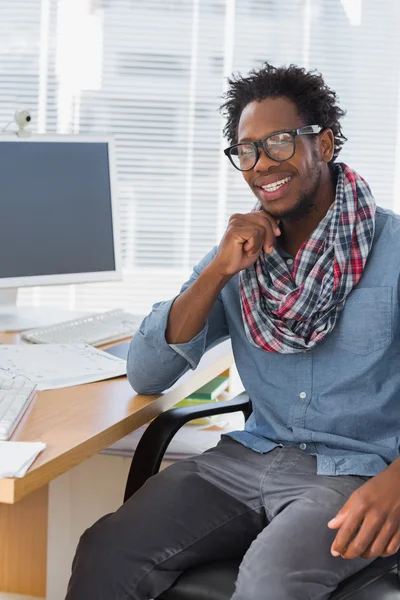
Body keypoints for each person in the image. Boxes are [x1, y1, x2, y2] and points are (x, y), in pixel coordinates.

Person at [66, 63, 400, 600]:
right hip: (248, 459)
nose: (261, 163)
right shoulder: (242, 253)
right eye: (246, 150)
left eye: (280, 143)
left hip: (356, 474)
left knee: (271, 580)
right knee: (107, 547)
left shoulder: (394, 249)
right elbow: (147, 373)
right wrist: (218, 272)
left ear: (326, 143)